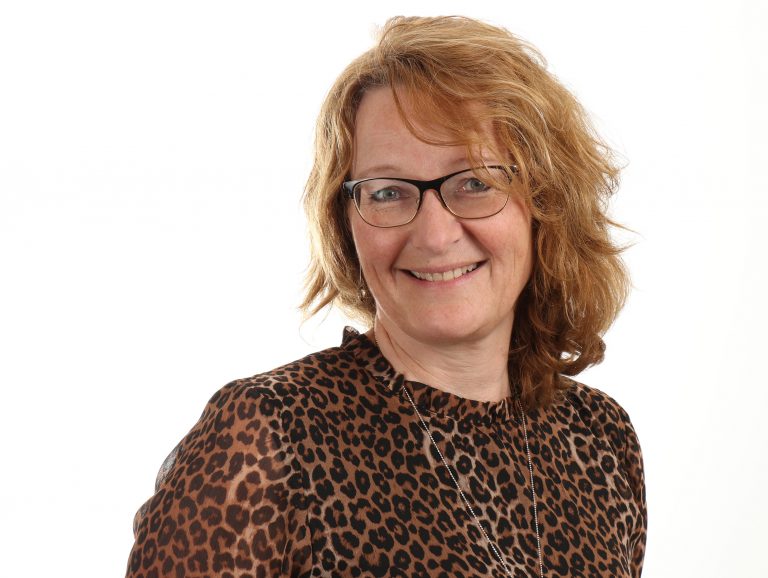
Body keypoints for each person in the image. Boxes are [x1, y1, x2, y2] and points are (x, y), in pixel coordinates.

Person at [126, 15, 646, 578]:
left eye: (475, 182)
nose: (435, 235)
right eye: (388, 192)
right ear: (345, 222)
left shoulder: (600, 439)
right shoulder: (266, 436)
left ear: (547, 200)